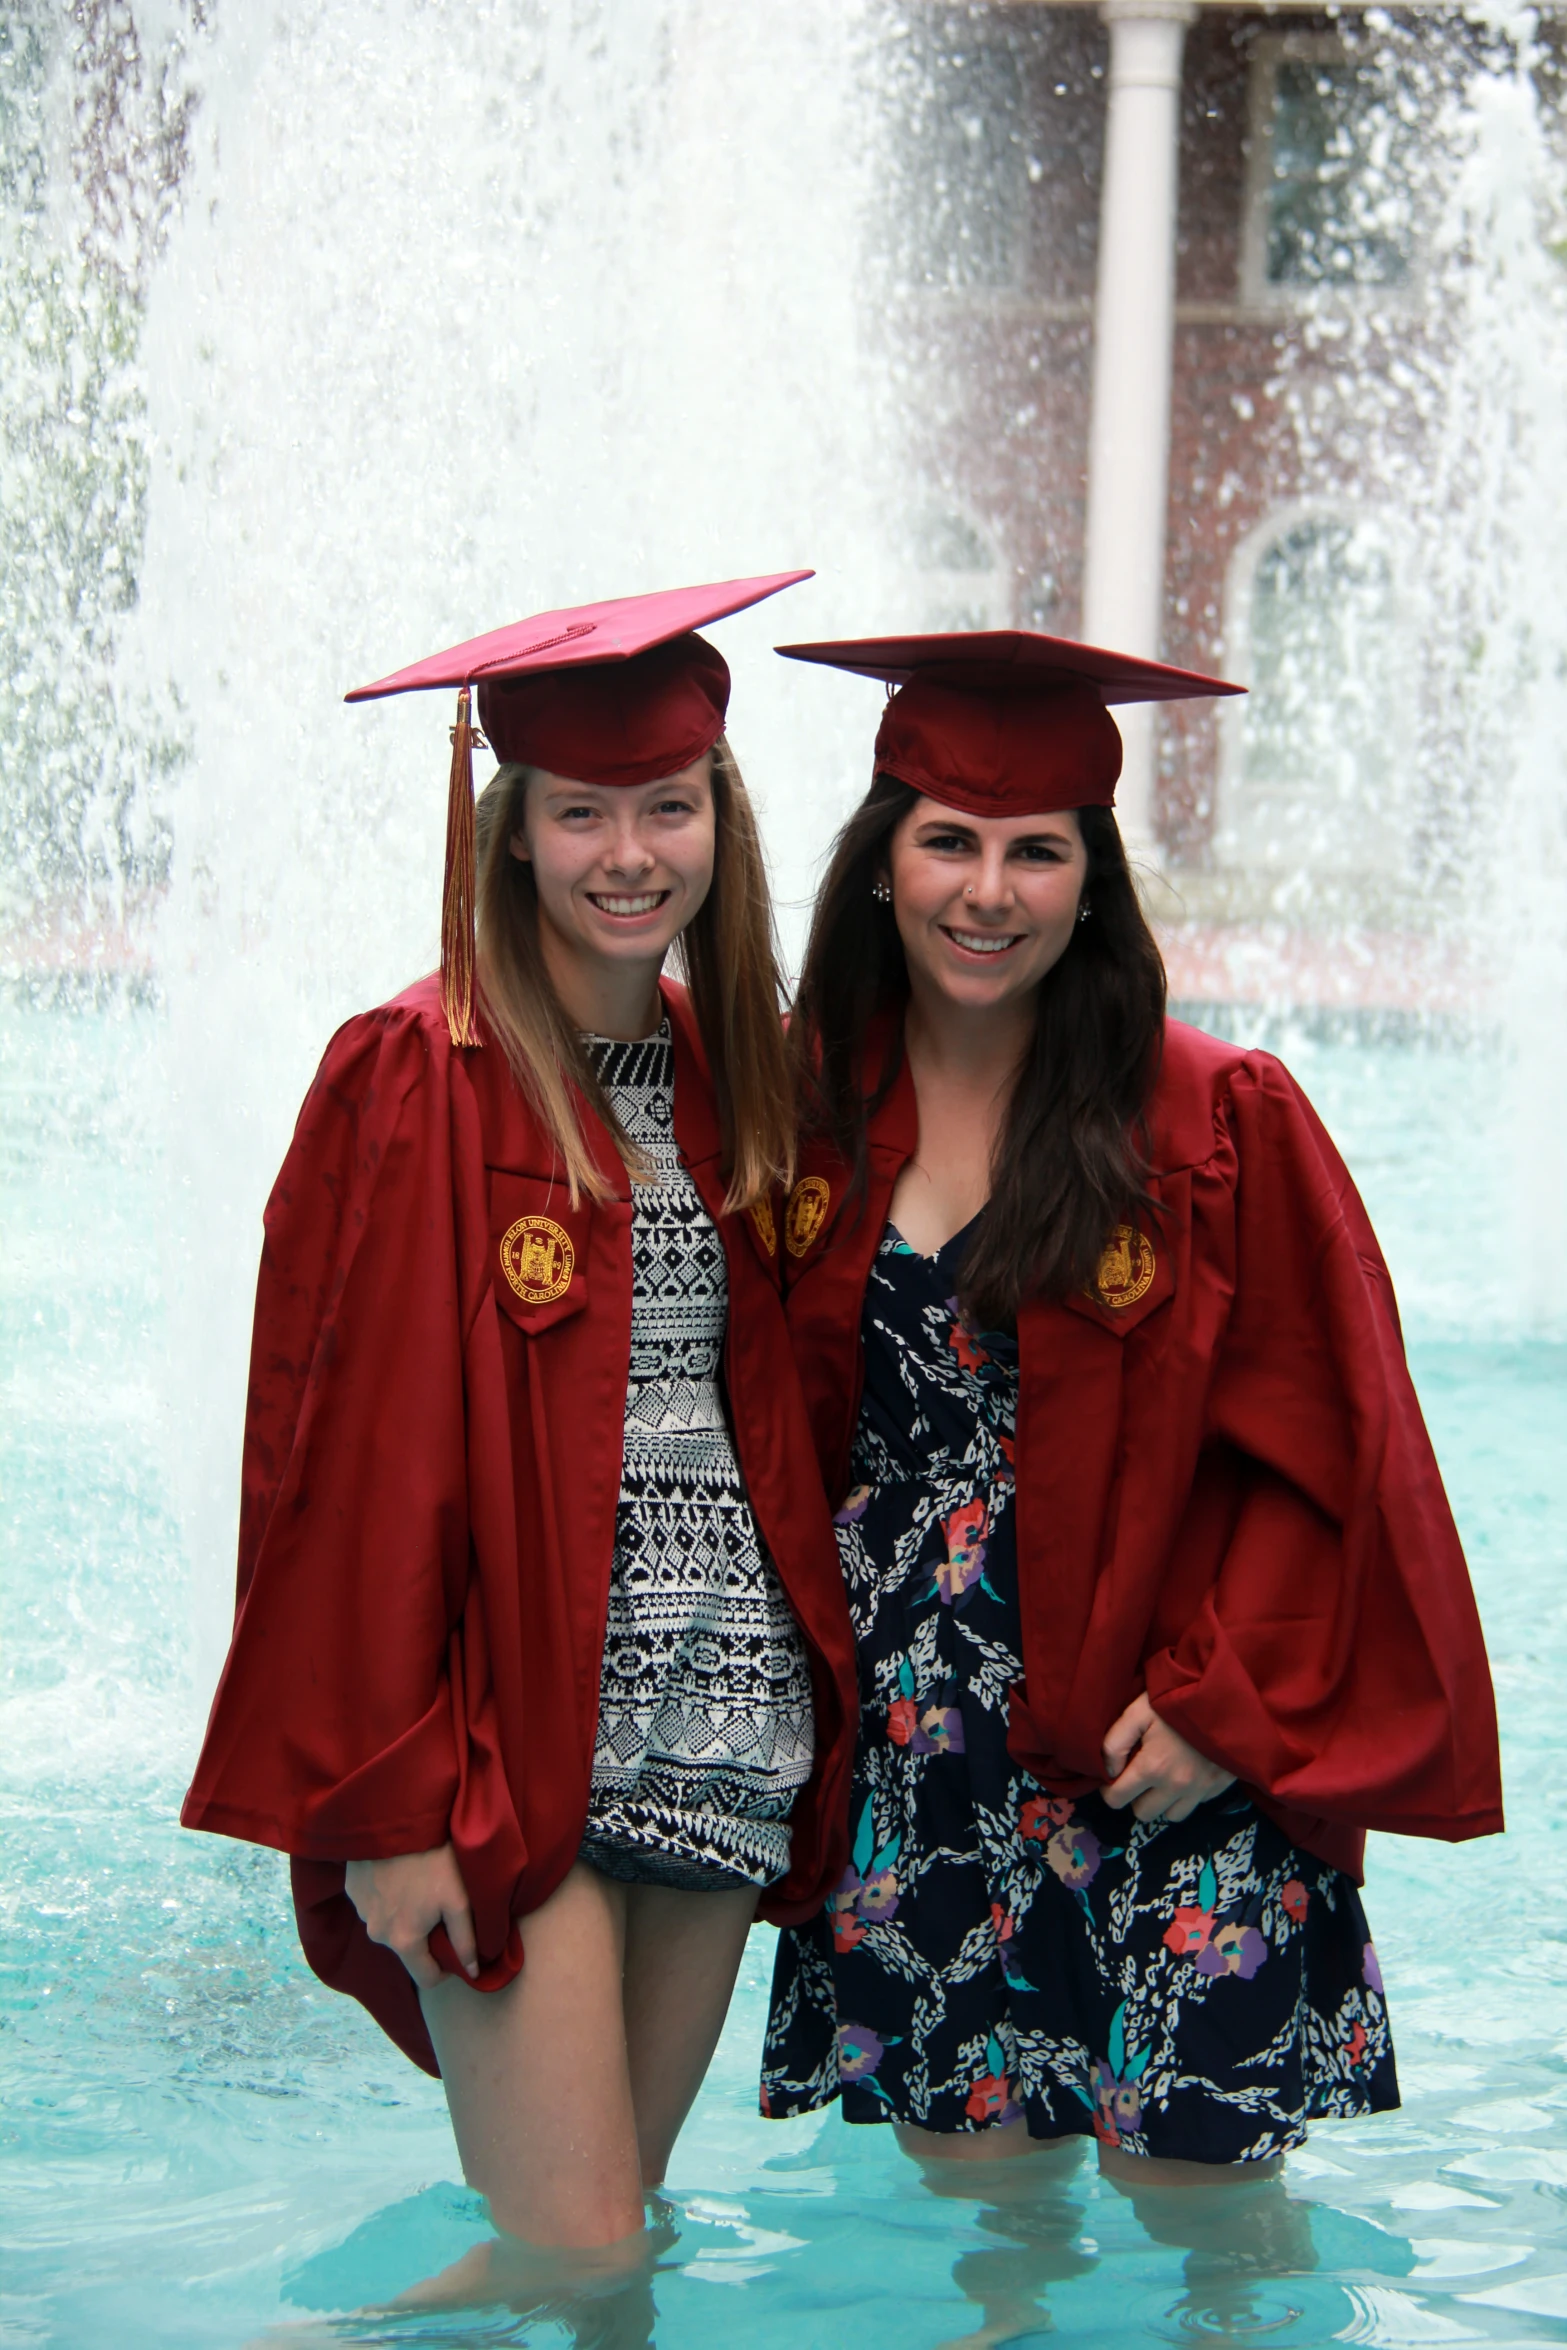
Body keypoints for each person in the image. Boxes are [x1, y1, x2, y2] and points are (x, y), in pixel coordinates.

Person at [760, 627, 1503, 2180]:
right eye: (948, 841)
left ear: (1089, 877)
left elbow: (1341, 1455)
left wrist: (1232, 1703)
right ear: (880, 862)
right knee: (981, 2244)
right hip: (921, 1779)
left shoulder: (1208, 1117)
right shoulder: (801, 1114)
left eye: (1036, 850)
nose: (987, 889)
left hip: (1161, 1754)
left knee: (1211, 2244)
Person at [181, 574, 858, 2257]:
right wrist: (385, 1801)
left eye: (667, 806)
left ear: (722, 821)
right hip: (511, 1745)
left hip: (725, 1731)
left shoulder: (740, 1072)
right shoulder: (419, 1069)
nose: (630, 851)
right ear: (512, 831)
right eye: (580, 812)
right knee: (587, 2255)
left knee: (596, 2251)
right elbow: (339, 1466)